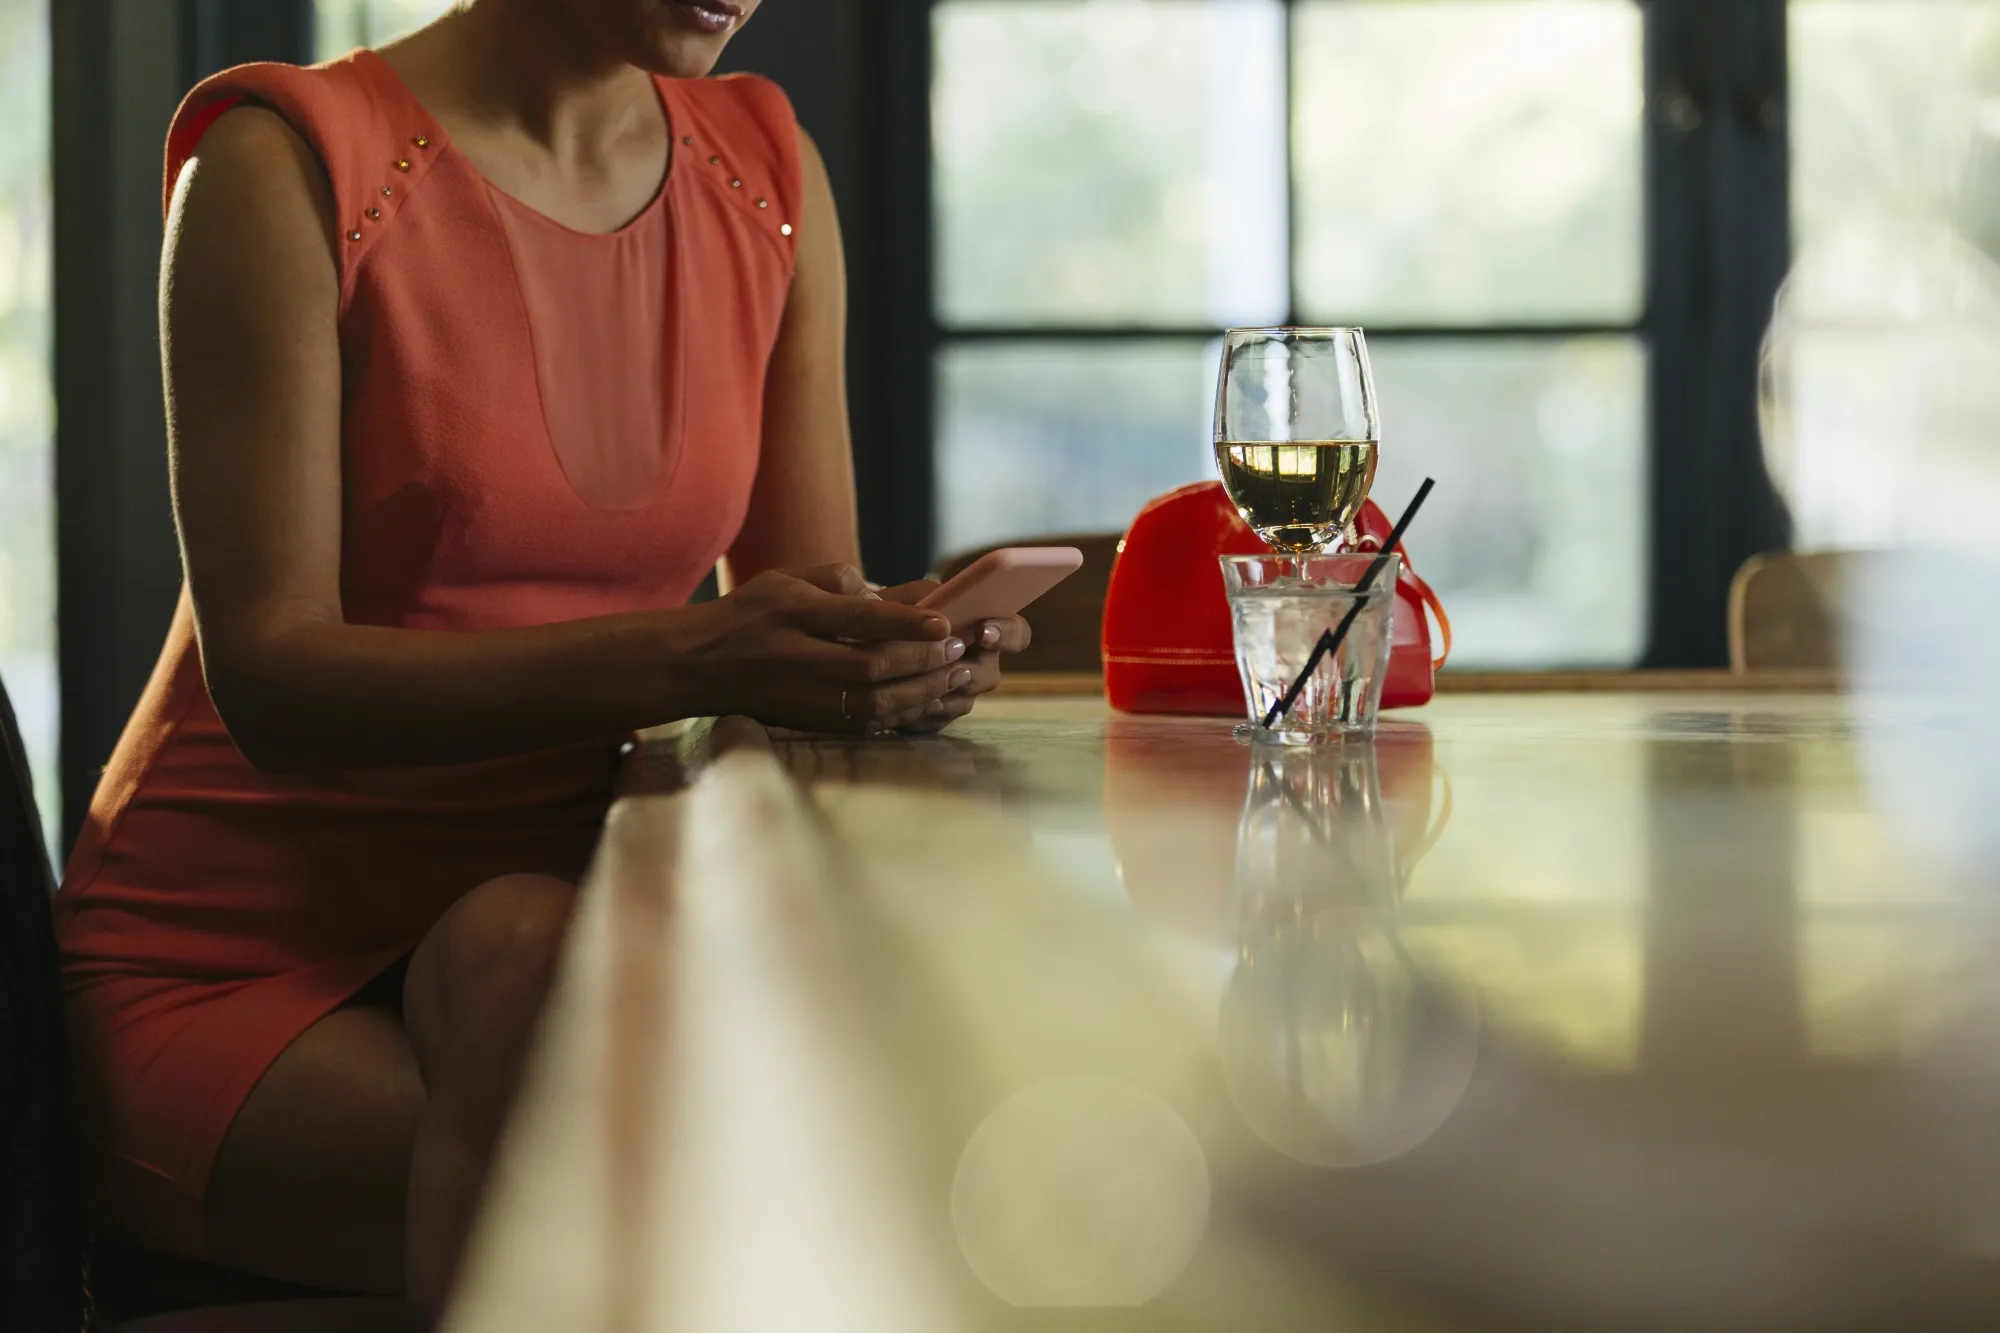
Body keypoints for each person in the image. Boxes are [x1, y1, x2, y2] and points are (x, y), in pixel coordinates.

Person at [52, 0, 1029, 1309]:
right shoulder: (283, 162)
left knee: (560, 983)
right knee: (695, 1184)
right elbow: (276, 683)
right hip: (220, 974)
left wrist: (883, 657)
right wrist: (701, 657)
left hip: (529, 935)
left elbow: (795, 610)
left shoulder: (767, 167)